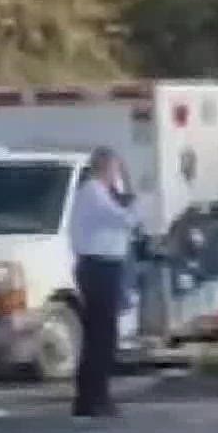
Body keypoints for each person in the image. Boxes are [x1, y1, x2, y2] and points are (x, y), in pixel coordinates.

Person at [68, 147, 138, 417]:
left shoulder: (98, 193)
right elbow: (125, 220)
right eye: (116, 169)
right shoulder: (94, 193)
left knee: (101, 334)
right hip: (98, 267)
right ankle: (93, 397)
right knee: (101, 335)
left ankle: (93, 396)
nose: (117, 175)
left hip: (103, 266)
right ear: (105, 167)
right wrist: (135, 199)